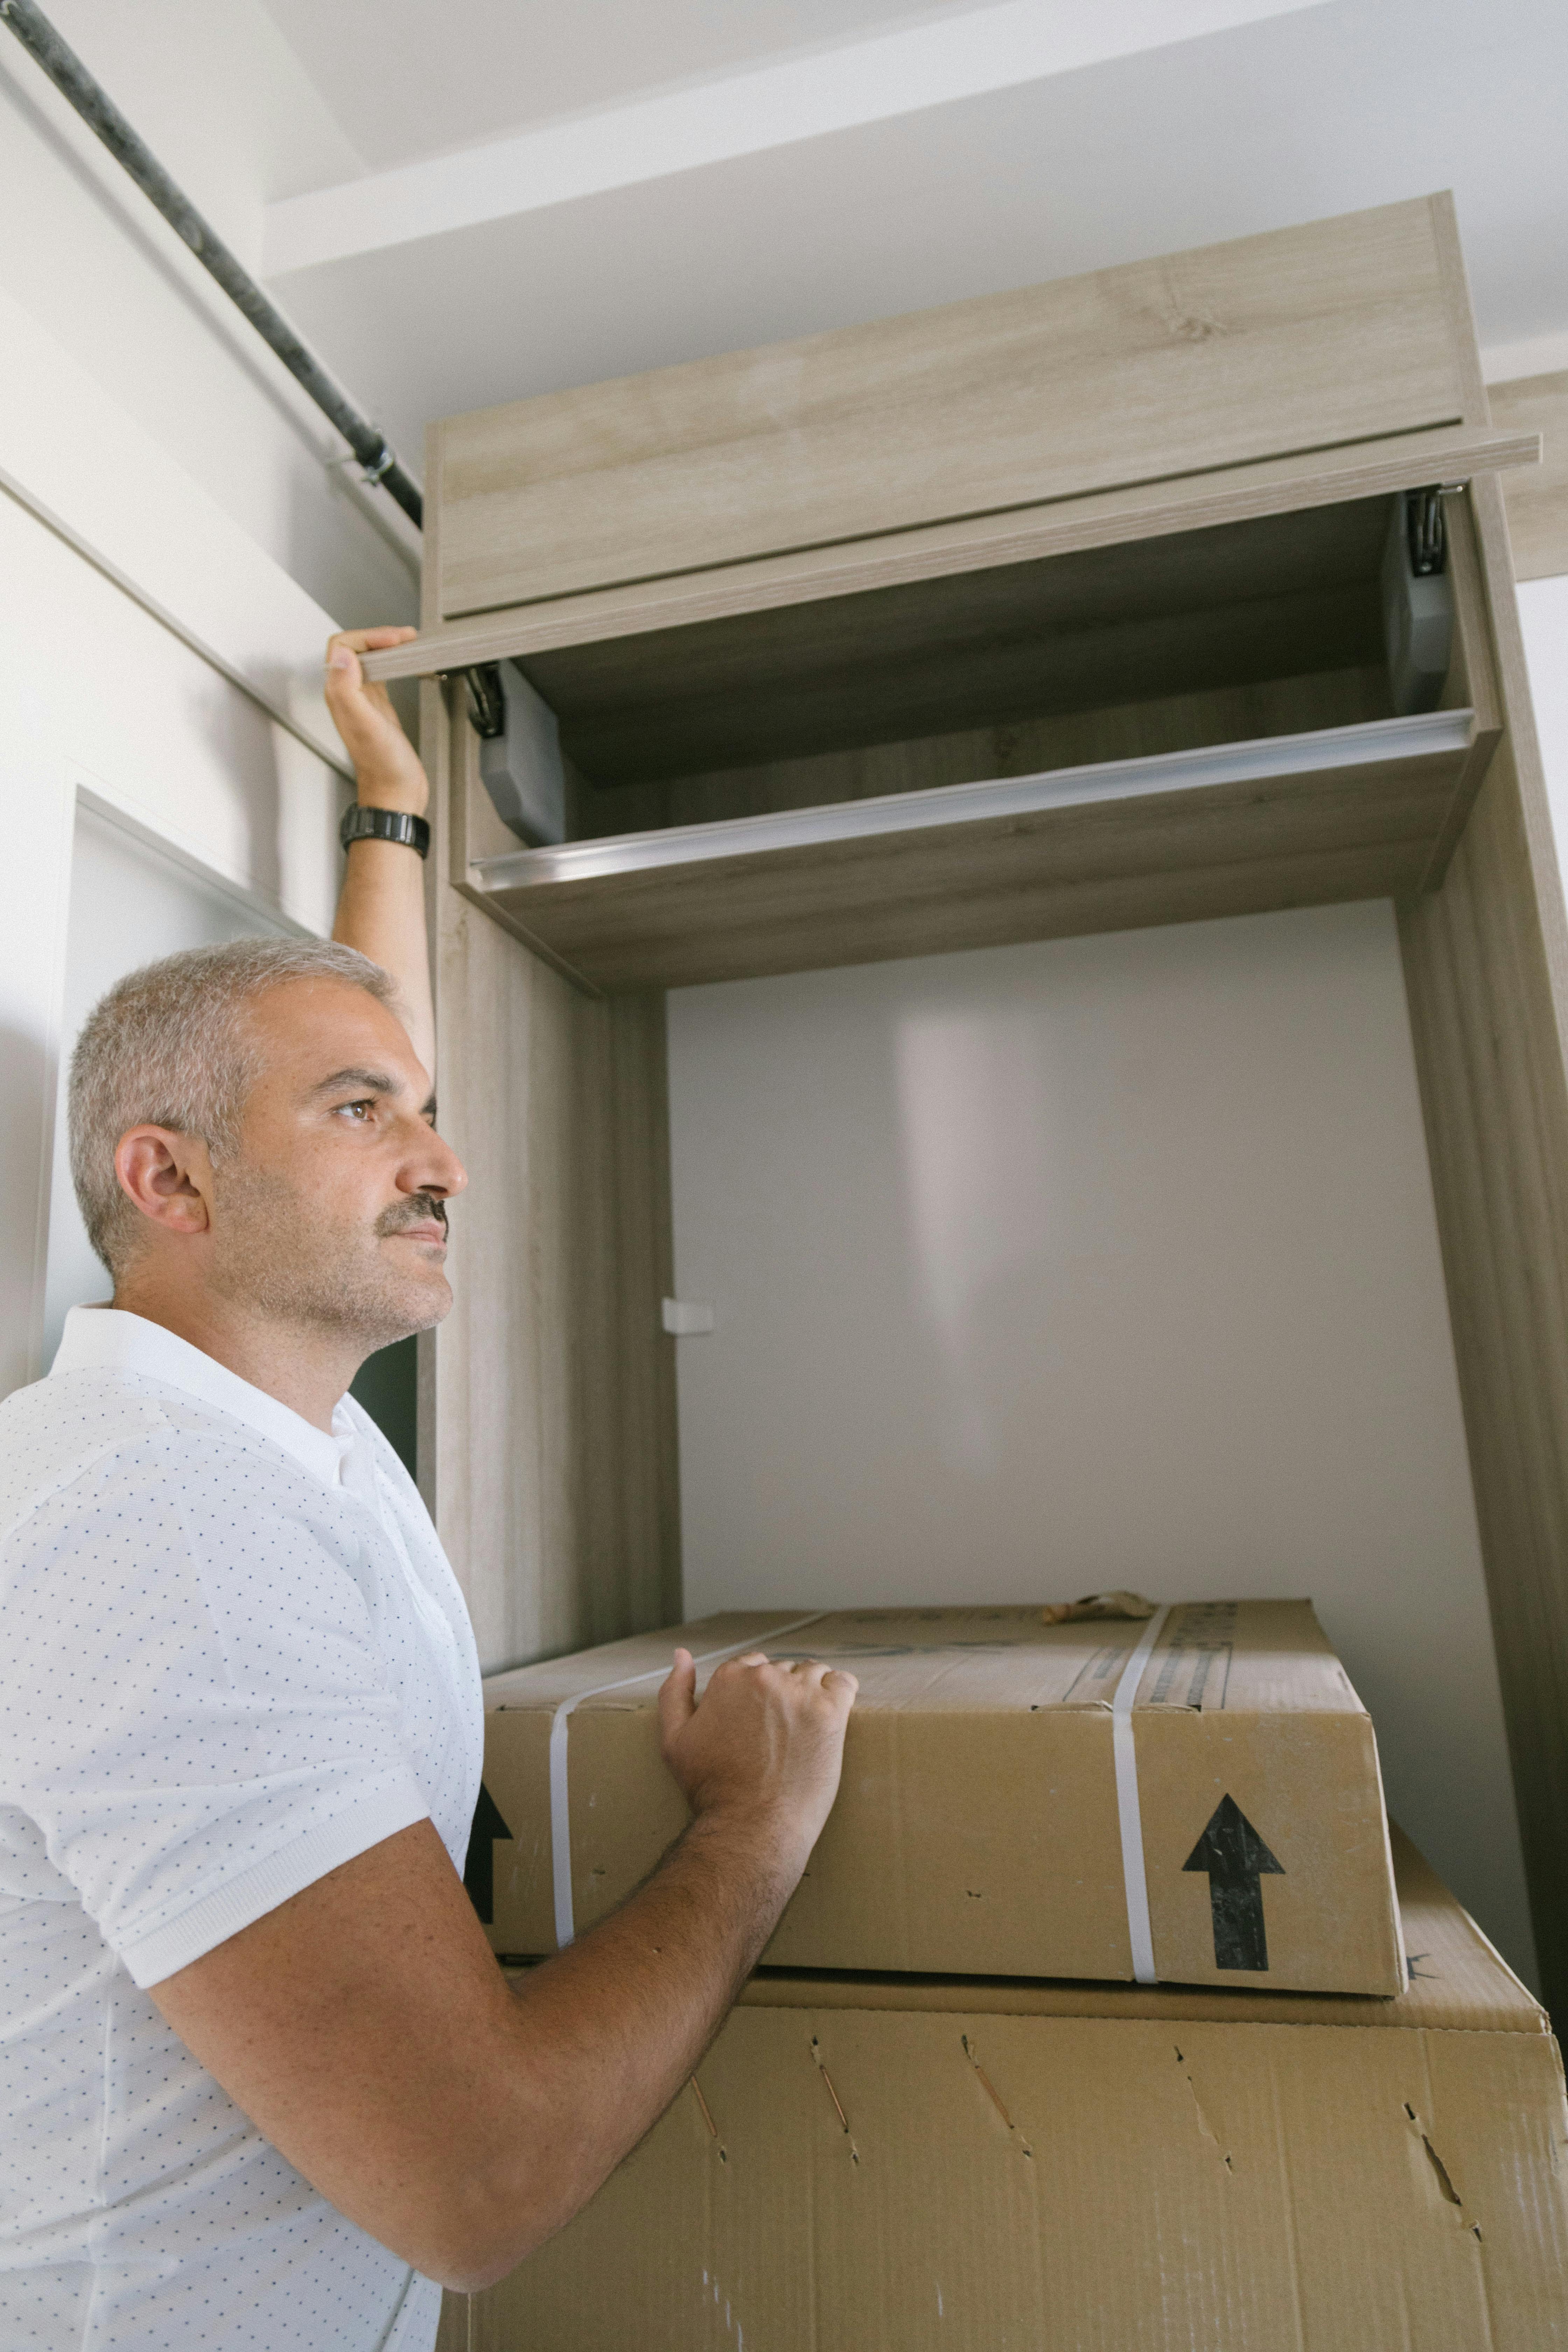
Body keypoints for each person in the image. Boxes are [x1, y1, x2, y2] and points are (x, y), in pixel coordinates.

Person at [0, 629, 858, 2351]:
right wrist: (751, 1829)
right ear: (166, 1180)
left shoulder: (276, 1415)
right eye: (365, 1113)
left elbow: (346, 1059)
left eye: (427, 1110)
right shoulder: (166, 1526)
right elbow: (478, 2182)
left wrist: (392, 801)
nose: (444, 1160)